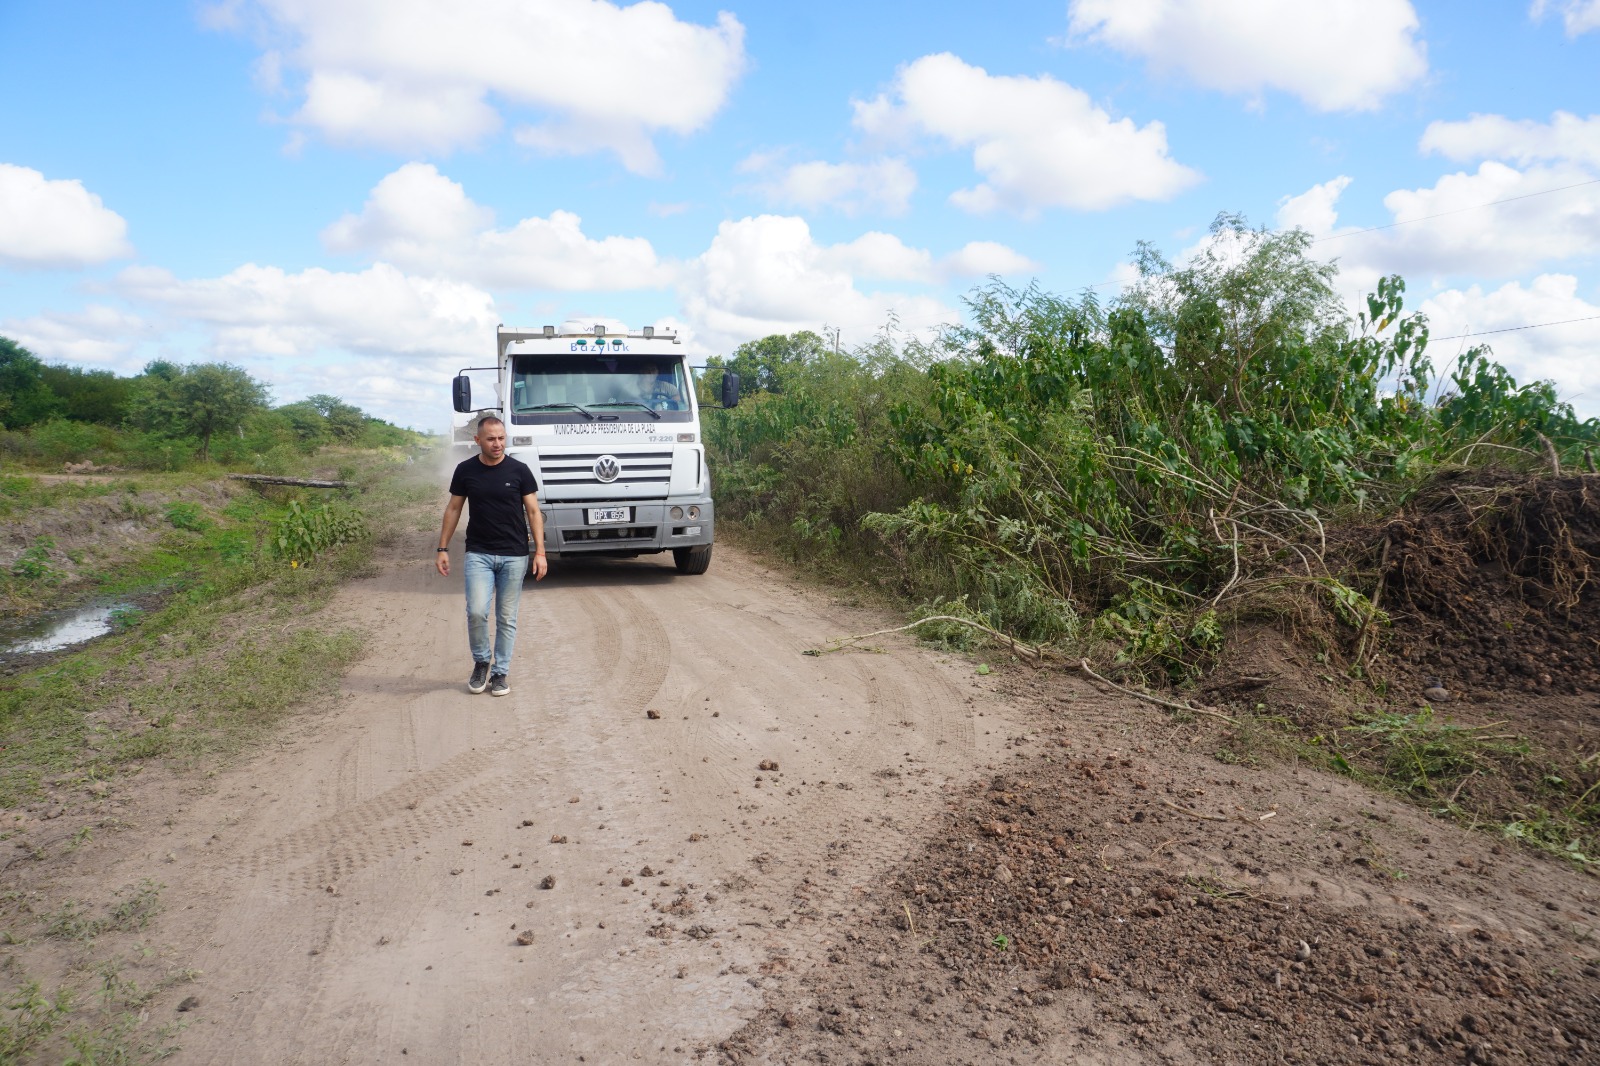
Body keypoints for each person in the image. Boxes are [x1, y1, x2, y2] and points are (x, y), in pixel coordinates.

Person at [435, 415, 547, 696]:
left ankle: (500, 673)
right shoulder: (465, 470)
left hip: (514, 554)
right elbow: (453, 509)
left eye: (501, 438)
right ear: (477, 441)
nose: (497, 444)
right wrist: (443, 548)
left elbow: (533, 512)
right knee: (476, 612)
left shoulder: (519, 471)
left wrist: (540, 552)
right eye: (491, 439)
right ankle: (482, 662)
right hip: (479, 553)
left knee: (507, 618)